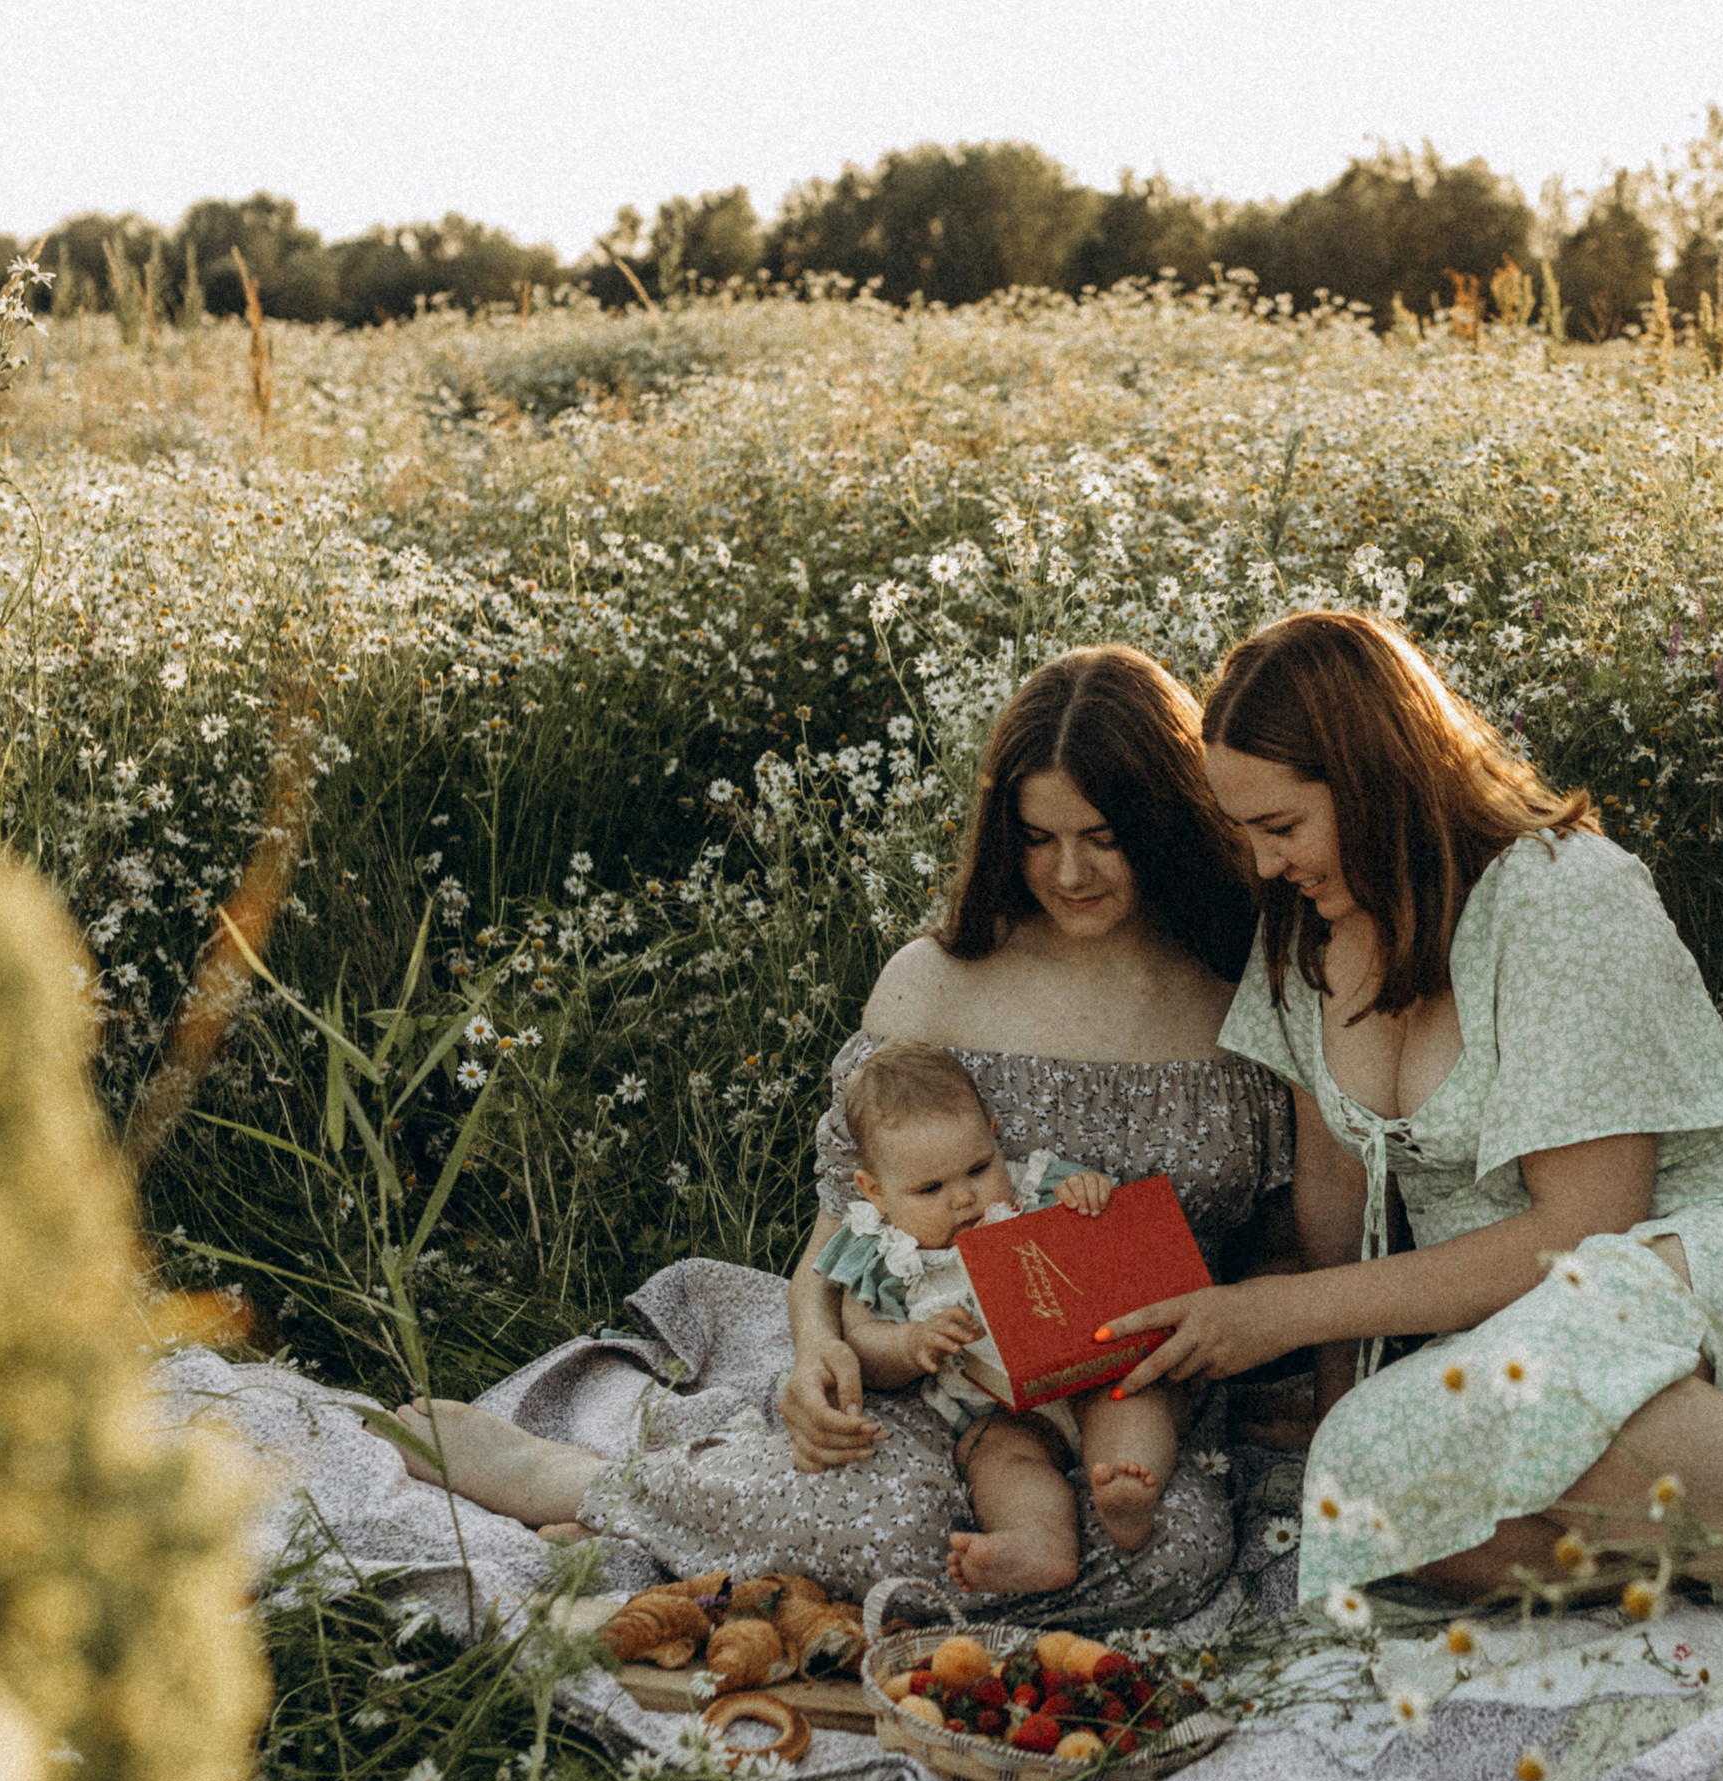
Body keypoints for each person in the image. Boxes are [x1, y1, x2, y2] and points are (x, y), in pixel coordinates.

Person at [1097, 605, 1723, 1612]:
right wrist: (1334, 1400)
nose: (1266, 865)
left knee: (1555, 1381)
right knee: (1361, 1485)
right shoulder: (1301, 934)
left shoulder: (1560, 894)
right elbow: (1333, 1189)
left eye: (1281, 828)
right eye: (1246, 832)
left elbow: (1586, 1228)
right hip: (1528, 1323)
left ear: (1375, 785)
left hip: (1713, 1248)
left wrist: (1273, 1315)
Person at [390, 646, 1291, 1631]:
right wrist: (816, 1352)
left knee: (1171, 1558)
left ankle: (717, 1522)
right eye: (1038, 839)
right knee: (883, 1520)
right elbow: (843, 1227)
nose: (1068, 873)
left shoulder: (1250, 983)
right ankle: (571, 1482)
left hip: (1135, 1400)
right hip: (935, 1382)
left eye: (1104, 839)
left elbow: (1289, 1244)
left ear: (1165, 822)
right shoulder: (935, 982)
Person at [813, 1038, 1191, 1586]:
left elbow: (1107, 1237)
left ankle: (1129, 1487)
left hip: (1091, 1371)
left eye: (977, 1168)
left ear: (994, 1136)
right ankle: (1039, 1541)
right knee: (994, 1460)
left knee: (1134, 1400)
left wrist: (1090, 1193)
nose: (963, 1198)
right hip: (1003, 1414)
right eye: (930, 1188)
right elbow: (862, 1342)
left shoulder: (1033, 1189)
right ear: (875, 1192)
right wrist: (910, 1344)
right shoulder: (883, 1252)